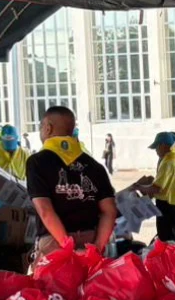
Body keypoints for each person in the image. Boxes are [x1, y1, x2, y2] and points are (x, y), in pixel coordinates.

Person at [26, 106, 116, 255]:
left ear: (48, 128)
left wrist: (68, 247)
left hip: (55, 242)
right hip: (90, 240)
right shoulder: (94, 166)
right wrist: (97, 247)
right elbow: (110, 211)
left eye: (41, 127)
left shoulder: (37, 162)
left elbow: (45, 210)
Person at [135, 131, 175, 242]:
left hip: (167, 208)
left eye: (156, 147)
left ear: (163, 145)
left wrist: (138, 187)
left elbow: (157, 188)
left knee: (167, 241)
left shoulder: (167, 163)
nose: (156, 151)